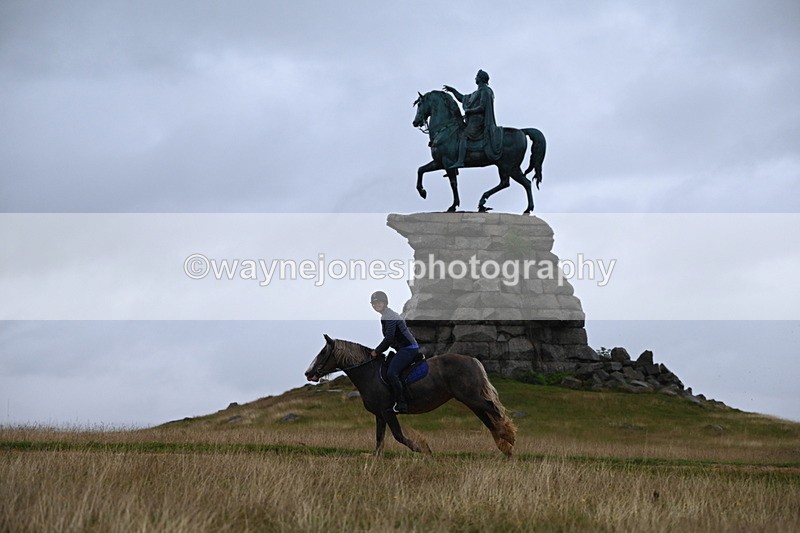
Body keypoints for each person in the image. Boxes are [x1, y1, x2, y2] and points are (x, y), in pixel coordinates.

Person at [369, 291, 419, 414]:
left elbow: (389, 338)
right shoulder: (384, 316)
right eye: (374, 303)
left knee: (392, 373)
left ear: (385, 303)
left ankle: (402, 404)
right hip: (402, 349)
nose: (376, 305)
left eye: (379, 302)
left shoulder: (390, 315)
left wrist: (377, 351)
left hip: (409, 348)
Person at [443, 69, 504, 169]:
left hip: (479, 121)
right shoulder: (476, 93)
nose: (475, 78)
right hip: (472, 121)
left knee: (463, 135)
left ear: (480, 79)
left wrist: (469, 111)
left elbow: (482, 107)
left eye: (477, 76)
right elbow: (462, 98)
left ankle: (460, 161)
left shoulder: (485, 91)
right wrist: (453, 90)